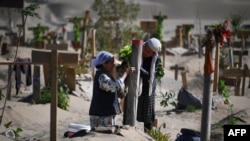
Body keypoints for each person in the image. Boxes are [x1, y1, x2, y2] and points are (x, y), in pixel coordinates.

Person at [89, 51, 135, 130]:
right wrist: (126, 74)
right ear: (104, 63)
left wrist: (126, 83)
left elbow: (118, 93)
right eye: (111, 63)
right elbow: (115, 86)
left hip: (106, 114)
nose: (113, 65)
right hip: (101, 115)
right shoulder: (101, 76)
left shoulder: (107, 75)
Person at [137, 37, 163, 131]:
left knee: (148, 116)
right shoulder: (138, 51)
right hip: (136, 86)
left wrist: (137, 67)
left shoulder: (156, 59)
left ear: (153, 53)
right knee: (132, 110)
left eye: (148, 51)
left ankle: (148, 135)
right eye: (145, 48)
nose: (145, 52)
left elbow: (149, 75)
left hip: (148, 88)